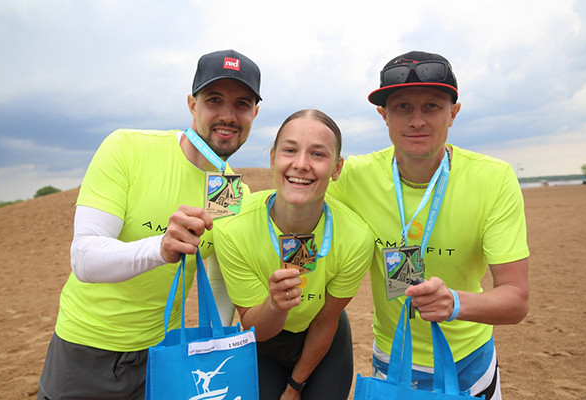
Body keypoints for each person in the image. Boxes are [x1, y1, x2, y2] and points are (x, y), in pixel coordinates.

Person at [36, 49, 262, 400]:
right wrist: (160, 248)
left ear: (254, 114)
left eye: (242, 104)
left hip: (164, 356)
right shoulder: (128, 148)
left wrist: (211, 346)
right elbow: (83, 257)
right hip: (86, 347)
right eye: (214, 100)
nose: (228, 116)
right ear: (192, 104)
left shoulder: (230, 190)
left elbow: (218, 277)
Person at [327, 51, 529, 399]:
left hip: (469, 364)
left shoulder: (494, 179)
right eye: (403, 107)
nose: (417, 120)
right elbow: (293, 203)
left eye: (432, 106)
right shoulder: (352, 176)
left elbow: (516, 298)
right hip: (391, 359)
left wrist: (455, 303)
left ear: (453, 113)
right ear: (384, 115)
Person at [213, 109, 374, 399]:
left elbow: (325, 321)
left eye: (318, 154)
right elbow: (255, 328)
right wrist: (275, 306)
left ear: (337, 168)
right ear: (273, 158)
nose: (301, 164)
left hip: (323, 334)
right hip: (265, 341)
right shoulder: (231, 228)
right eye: (290, 150)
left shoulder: (356, 237)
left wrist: (294, 387)